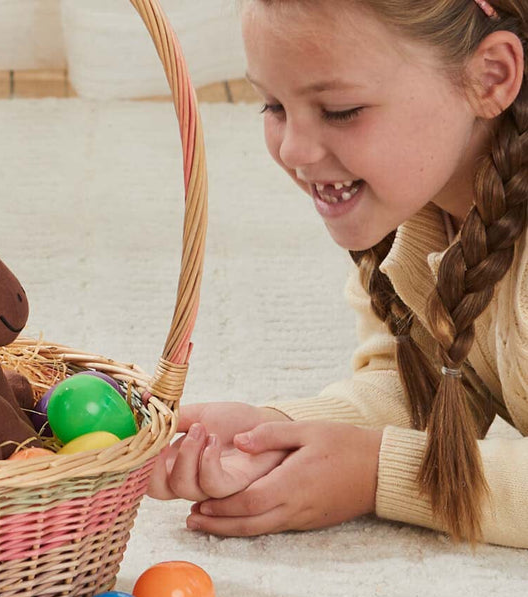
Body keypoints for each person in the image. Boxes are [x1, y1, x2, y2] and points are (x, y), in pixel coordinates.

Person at [147, 0, 528, 549]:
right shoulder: (412, 205)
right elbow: (424, 382)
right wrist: (277, 434)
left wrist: (377, 474)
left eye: (341, 110)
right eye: (273, 105)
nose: (293, 150)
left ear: (491, 77)